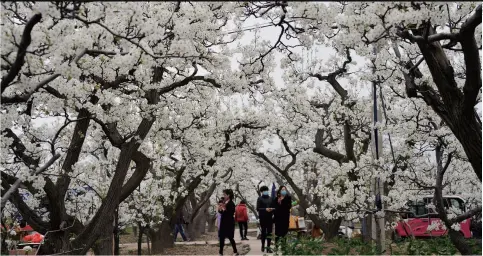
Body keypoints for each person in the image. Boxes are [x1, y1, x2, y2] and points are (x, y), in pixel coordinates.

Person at [218, 189, 238, 255]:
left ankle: (235, 251)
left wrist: (224, 209)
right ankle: (220, 252)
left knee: (230, 238)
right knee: (221, 238)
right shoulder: (225, 202)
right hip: (223, 223)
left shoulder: (231, 203)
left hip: (229, 223)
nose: (223, 196)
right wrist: (220, 209)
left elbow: (230, 213)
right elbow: (222, 212)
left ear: (228, 195)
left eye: (224, 194)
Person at [256, 185, 275, 253]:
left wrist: (272, 209)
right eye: (264, 191)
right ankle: (263, 245)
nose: (266, 192)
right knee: (263, 232)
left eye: (266, 190)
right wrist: (265, 209)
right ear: (262, 192)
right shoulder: (259, 199)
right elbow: (258, 208)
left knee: (269, 233)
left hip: (270, 217)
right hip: (263, 217)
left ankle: (268, 247)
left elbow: (274, 207)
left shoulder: (271, 198)